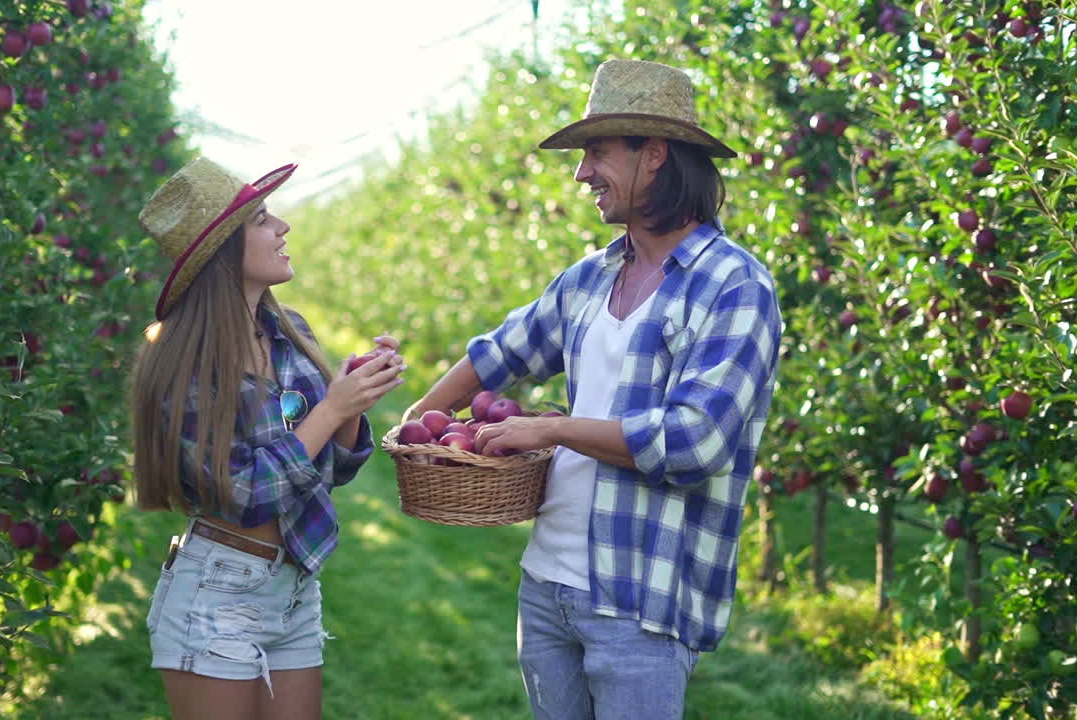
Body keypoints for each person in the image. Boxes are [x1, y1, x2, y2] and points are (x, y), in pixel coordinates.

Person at [406, 59, 783, 719]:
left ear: (654, 155)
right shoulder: (590, 277)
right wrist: (419, 420)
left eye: (597, 153)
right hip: (545, 581)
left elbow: (694, 441)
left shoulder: (734, 285)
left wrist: (551, 428)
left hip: (639, 594)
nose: (582, 174)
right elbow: (501, 352)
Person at [129, 157, 405, 720]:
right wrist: (331, 409)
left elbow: (330, 469)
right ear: (221, 252)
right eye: (261, 219)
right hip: (217, 590)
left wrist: (353, 401)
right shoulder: (185, 362)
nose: (283, 226)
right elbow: (245, 494)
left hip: (294, 583)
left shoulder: (289, 331)